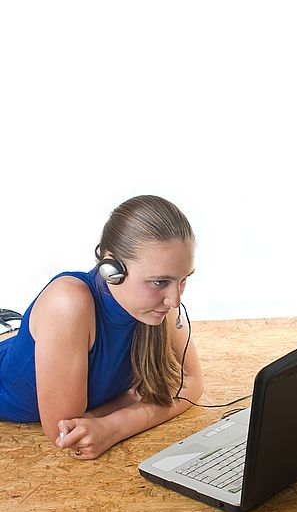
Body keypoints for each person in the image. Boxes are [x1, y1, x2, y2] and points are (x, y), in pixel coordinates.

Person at [0, 195, 204, 459]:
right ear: (112, 269)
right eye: (159, 282)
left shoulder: (162, 303)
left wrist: (112, 425)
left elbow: (193, 384)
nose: (175, 299)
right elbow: (67, 432)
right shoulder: (67, 304)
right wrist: (133, 399)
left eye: (183, 279)